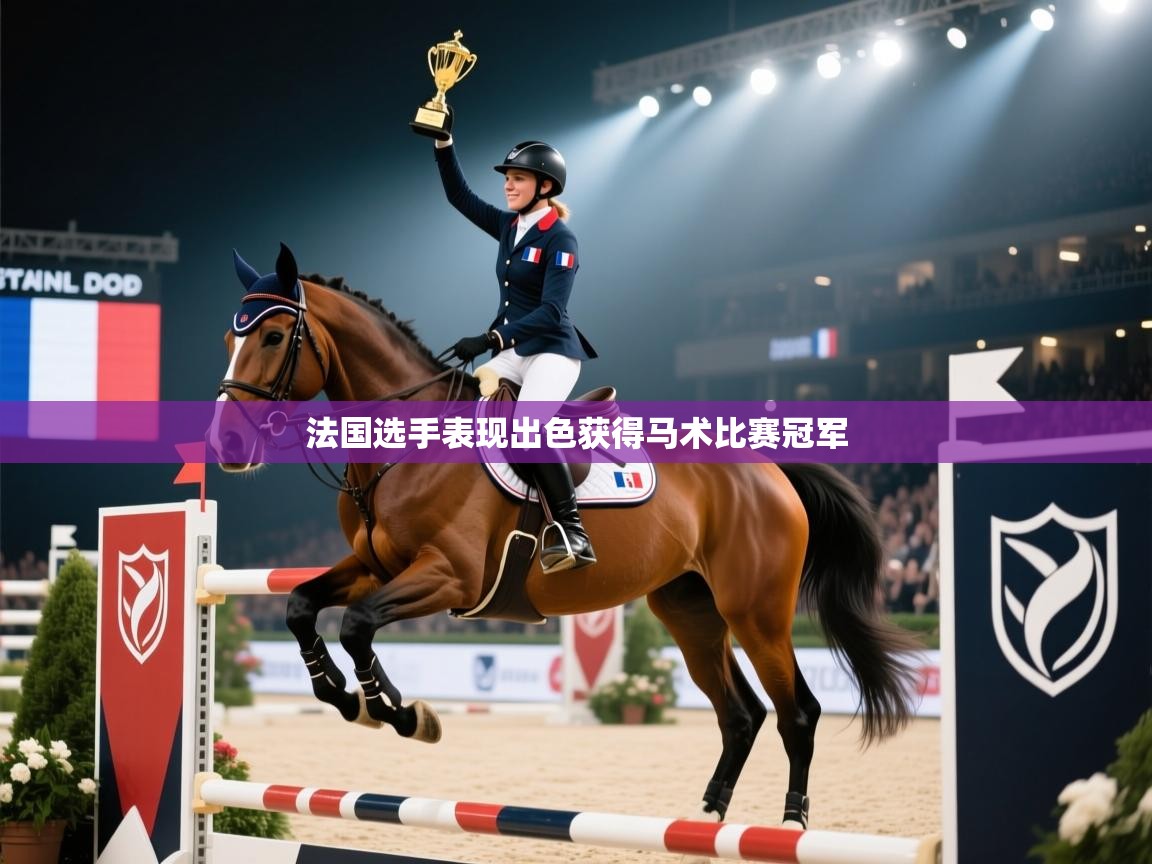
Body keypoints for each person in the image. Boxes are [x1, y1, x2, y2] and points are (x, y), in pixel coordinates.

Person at [433, 134, 597, 573]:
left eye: (518, 178)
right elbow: (460, 197)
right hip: (513, 349)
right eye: (507, 177)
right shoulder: (510, 227)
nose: (508, 185)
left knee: (525, 429)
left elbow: (551, 311)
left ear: (545, 186)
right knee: (458, 401)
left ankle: (573, 530)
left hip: (552, 352)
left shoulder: (561, 239)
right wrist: (444, 144)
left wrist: (492, 339)